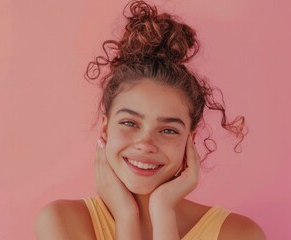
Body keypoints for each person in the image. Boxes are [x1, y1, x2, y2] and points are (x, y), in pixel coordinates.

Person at [35, 1, 266, 239]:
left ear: (190, 139)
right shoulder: (62, 221)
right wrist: (126, 217)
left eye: (167, 130)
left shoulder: (238, 233)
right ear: (105, 129)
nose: (145, 143)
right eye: (129, 123)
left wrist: (163, 211)